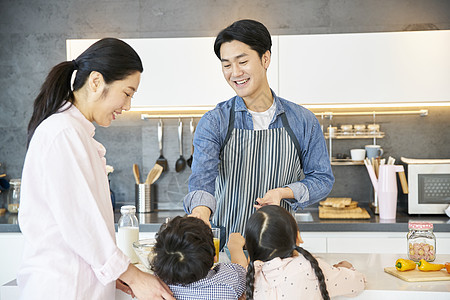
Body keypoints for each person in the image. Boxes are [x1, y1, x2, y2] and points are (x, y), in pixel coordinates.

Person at [18, 38, 174, 300]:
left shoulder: (74, 133)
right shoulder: (62, 132)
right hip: (63, 289)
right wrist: (132, 276)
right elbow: (82, 222)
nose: (128, 106)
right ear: (96, 81)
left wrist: (116, 276)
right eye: (127, 93)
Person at [183, 19, 334, 245]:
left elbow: (322, 179)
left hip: (279, 249)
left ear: (265, 58)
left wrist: (284, 193)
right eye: (226, 65)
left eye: (242, 61)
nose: (235, 73)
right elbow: (202, 180)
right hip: (225, 246)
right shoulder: (214, 121)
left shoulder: (302, 120)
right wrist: (201, 214)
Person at [227, 205, 366, 300]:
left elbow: (240, 267)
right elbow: (358, 282)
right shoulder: (309, 268)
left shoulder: (252, 274)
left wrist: (235, 247)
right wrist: (346, 268)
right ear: (298, 236)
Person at [151, 216, 246, 300]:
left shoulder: (156, 286)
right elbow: (242, 268)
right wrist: (235, 246)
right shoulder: (230, 282)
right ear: (214, 257)